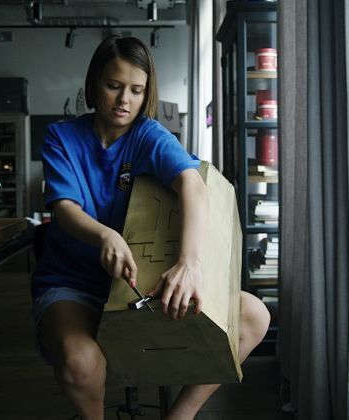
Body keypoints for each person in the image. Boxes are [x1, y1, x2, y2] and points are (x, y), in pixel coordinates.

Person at [31, 35, 270, 420]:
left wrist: (189, 264)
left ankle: (180, 416)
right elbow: (64, 209)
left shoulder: (148, 135)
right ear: (94, 84)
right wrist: (105, 235)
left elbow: (193, 184)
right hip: (73, 285)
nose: (124, 100)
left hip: (139, 285)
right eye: (114, 85)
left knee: (255, 316)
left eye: (136, 90)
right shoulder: (62, 137)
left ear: (146, 94)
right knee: (81, 360)